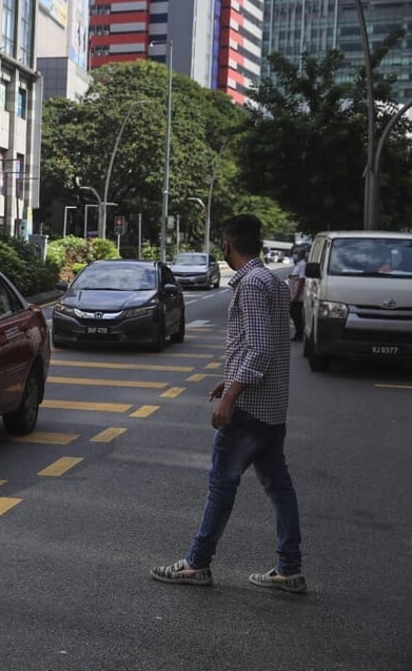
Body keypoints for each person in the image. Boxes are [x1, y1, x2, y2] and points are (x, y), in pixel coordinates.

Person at [151, 214, 306, 594]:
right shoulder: (272, 281)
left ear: (227, 246)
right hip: (272, 407)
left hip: (249, 409)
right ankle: (290, 569)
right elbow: (267, 341)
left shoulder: (250, 285)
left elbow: (259, 347)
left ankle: (197, 563)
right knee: (278, 487)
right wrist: (230, 376)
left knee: (221, 485)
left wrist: (231, 397)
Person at [288, 245, 307, 341]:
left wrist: (296, 295)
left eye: (296, 253)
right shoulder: (298, 264)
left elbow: (302, 280)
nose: (294, 255)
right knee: (294, 313)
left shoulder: (303, 264)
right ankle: (298, 333)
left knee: (296, 314)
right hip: (293, 294)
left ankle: (300, 333)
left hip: (298, 296)